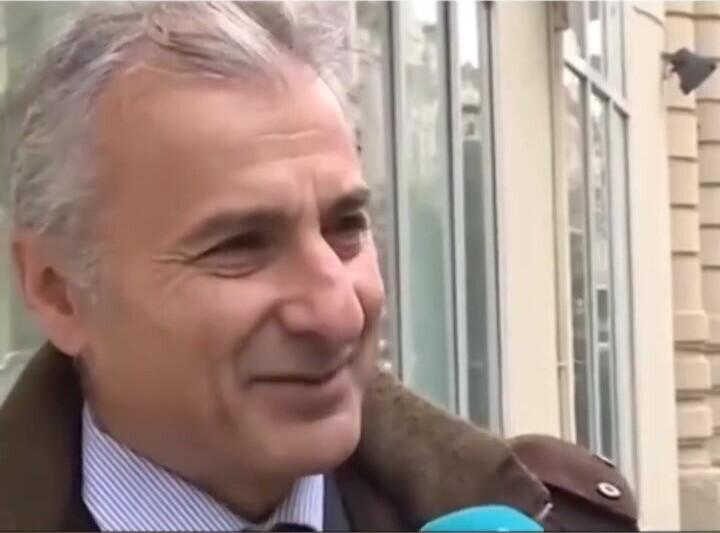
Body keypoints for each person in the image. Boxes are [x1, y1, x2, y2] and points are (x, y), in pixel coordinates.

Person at [0, 2, 639, 531]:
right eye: (240, 245)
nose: (338, 313)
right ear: (58, 292)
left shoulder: (545, 515)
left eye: (347, 227)